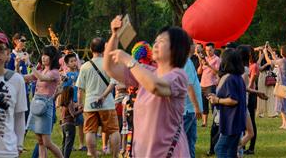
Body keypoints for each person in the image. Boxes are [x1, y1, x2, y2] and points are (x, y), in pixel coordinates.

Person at [104, 19, 191, 158]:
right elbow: (110, 68)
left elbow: (155, 87)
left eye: (161, 41)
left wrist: (129, 60)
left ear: (175, 48)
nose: (155, 44)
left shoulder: (179, 76)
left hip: (169, 153)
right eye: (155, 41)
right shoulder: (145, 72)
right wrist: (115, 35)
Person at [76, 37, 119, 158]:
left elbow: (80, 89)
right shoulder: (109, 63)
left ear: (90, 49)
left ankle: (94, 155)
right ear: (104, 48)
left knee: (90, 131)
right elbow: (113, 83)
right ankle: (115, 156)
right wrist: (104, 96)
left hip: (90, 104)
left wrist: (80, 103)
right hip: (108, 103)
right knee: (114, 130)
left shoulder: (85, 66)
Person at [204, 49, 246, 158]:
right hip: (236, 120)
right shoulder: (238, 78)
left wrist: (217, 100)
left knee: (220, 148)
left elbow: (233, 100)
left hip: (231, 121)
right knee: (231, 151)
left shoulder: (230, 79)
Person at [25, 46, 63, 158]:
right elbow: (28, 77)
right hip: (36, 104)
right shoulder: (41, 70)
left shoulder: (55, 72)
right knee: (40, 141)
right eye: (43, 55)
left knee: (47, 142)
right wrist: (15, 70)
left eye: (46, 55)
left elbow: (41, 78)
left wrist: (30, 63)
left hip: (46, 106)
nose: (43, 57)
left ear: (53, 58)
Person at [182, 44, 203, 158]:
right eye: (193, 43)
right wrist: (196, 107)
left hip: (191, 109)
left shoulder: (187, 61)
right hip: (189, 109)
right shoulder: (186, 62)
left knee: (191, 139)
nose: (195, 46)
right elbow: (188, 86)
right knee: (181, 140)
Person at [197, 43, 221, 129]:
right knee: (204, 104)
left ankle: (216, 121)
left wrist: (208, 65)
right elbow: (199, 72)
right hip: (202, 84)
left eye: (210, 50)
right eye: (206, 50)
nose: (208, 52)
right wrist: (200, 64)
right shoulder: (205, 58)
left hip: (211, 84)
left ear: (214, 49)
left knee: (213, 104)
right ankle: (204, 122)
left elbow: (217, 72)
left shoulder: (217, 59)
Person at [271, 45, 286, 130]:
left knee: (281, 105)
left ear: (283, 52)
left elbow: (271, 62)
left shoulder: (282, 61)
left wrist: (265, 53)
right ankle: (284, 123)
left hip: (281, 84)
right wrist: (270, 50)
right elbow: (277, 60)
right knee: (283, 104)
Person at [56, 85, 80, 158]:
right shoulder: (70, 102)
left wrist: (77, 106)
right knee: (69, 143)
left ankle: (62, 156)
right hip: (69, 125)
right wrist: (81, 111)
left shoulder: (64, 103)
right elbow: (73, 114)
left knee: (64, 142)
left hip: (63, 125)